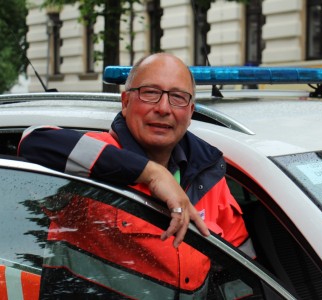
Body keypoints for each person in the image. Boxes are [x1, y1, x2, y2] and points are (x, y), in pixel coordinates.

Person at [18, 53, 255, 298]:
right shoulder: (95, 158)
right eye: (150, 92)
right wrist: (151, 173)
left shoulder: (209, 177)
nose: (164, 108)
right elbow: (33, 141)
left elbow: (241, 275)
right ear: (125, 101)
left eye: (177, 97)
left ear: (191, 111)